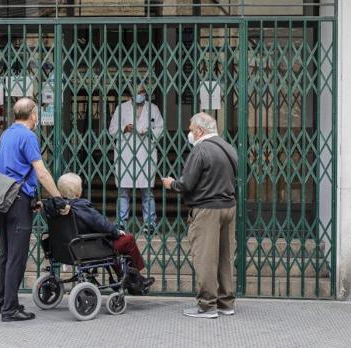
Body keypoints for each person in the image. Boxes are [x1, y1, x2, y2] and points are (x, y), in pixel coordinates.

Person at [0, 98, 66, 322]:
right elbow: (41, 172)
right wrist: (58, 198)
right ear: (33, 114)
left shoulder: (6, 134)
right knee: (17, 256)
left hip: (2, 199)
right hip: (17, 201)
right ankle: (10, 309)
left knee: (7, 253)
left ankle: (1, 301)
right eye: (37, 112)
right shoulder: (28, 136)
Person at [162, 112, 238, 319]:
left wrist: (171, 184)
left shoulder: (201, 150)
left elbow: (187, 183)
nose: (189, 133)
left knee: (206, 258)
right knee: (225, 257)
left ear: (200, 130)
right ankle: (226, 303)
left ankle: (207, 305)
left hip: (207, 210)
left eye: (190, 129)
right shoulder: (228, 148)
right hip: (228, 207)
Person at [54, 172, 155, 290]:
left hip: (65, 248)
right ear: (78, 191)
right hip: (87, 248)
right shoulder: (82, 207)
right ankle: (135, 278)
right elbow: (102, 224)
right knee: (127, 240)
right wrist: (116, 232)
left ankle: (126, 276)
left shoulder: (56, 208)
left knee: (115, 250)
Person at [109, 84, 164, 232]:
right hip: (126, 153)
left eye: (142, 92)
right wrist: (124, 129)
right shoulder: (121, 108)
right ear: (131, 93)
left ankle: (150, 223)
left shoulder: (154, 108)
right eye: (137, 92)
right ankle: (121, 222)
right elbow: (112, 130)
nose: (140, 94)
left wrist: (150, 131)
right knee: (123, 191)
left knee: (147, 191)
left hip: (145, 153)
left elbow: (160, 128)